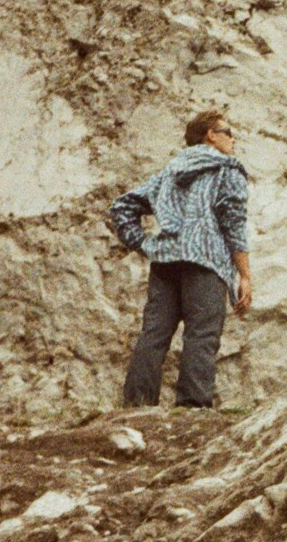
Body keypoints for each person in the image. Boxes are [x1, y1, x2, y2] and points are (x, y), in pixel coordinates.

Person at [109, 110, 254, 408]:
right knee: (202, 335)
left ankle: (136, 406)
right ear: (211, 135)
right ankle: (192, 409)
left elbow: (122, 207)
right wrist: (245, 275)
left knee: (154, 334)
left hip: (165, 262)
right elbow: (234, 222)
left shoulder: (170, 172)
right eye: (229, 132)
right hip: (205, 261)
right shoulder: (227, 169)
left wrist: (144, 243)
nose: (234, 139)